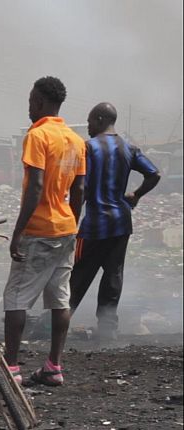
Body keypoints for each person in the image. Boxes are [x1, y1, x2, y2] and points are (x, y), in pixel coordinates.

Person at [0, 76, 85, 389]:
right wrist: (71, 224)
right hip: (66, 228)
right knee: (60, 299)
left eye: (31, 102)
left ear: (42, 102)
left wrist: (19, 232)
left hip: (39, 229)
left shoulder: (38, 136)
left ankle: (9, 369)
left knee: (16, 299)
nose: (28, 109)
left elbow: (35, 186)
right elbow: (80, 189)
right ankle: (53, 366)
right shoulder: (75, 140)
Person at [69, 102, 160, 341]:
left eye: (89, 122)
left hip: (94, 224)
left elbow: (81, 189)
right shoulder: (129, 148)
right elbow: (155, 174)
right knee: (113, 274)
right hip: (121, 222)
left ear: (99, 119)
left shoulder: (88, 148)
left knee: (79, 274)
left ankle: (57, 323)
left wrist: (71, 220)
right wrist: (136, 194)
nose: (87, 127)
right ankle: (107, 328)